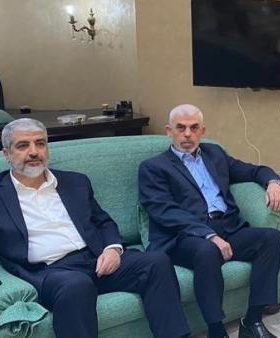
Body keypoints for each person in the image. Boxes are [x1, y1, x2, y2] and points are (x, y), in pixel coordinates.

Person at [0, 119, 189, 338]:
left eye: (40, 143)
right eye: (23, 146)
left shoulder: (75, 182)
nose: (34, 152)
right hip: (50, 271)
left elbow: (103, 222)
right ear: (6, 154)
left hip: (95, 258)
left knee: (156, 262)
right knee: (76, 285)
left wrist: (112, 249)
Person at [138, 104, 280, 338]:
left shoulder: (215, 154)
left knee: (272, 238)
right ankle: (216, 330)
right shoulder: (153, 167)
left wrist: (273, 183)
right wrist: (208, 235)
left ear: (202, 131)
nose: (188, 134)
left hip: (227, 227)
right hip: (183, 236)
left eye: (194, 127)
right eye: (181, 128)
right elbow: (163, 211)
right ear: (169, 131)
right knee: (207, 250)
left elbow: (253, 170)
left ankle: (252, 321)